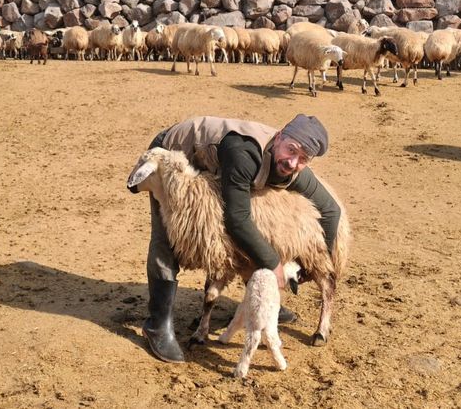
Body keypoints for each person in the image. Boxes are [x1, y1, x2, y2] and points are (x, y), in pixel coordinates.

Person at [143, 114, 341, 363]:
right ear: (279, 137)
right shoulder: (244, 154)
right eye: (291, 150)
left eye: (303, 159)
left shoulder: (293, 165)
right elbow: (237, 219)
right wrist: (274, 264)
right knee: (168, 239)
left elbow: (331, 211)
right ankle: (158, 325)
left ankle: (262, 303)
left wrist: (316, 263)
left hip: (219, 168)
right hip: (175, 159)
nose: (293, 162)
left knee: (245, 238)